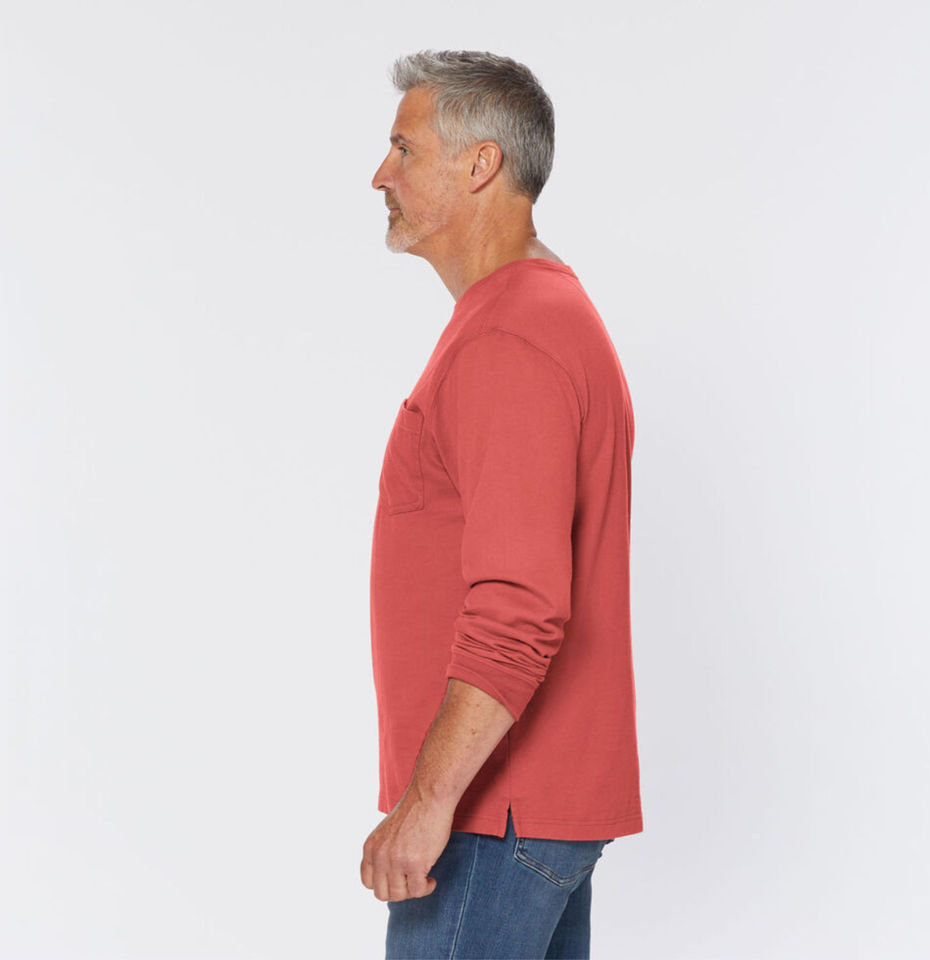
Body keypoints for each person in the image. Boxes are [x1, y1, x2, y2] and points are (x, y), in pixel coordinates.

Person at [361, 49, 644, 959]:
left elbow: (520, 605)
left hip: (493, 814)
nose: (381, 175)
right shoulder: (536, 314)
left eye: (404, 149)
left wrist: (427, 802)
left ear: (481, 163)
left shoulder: (512, 336)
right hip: (522, 808)